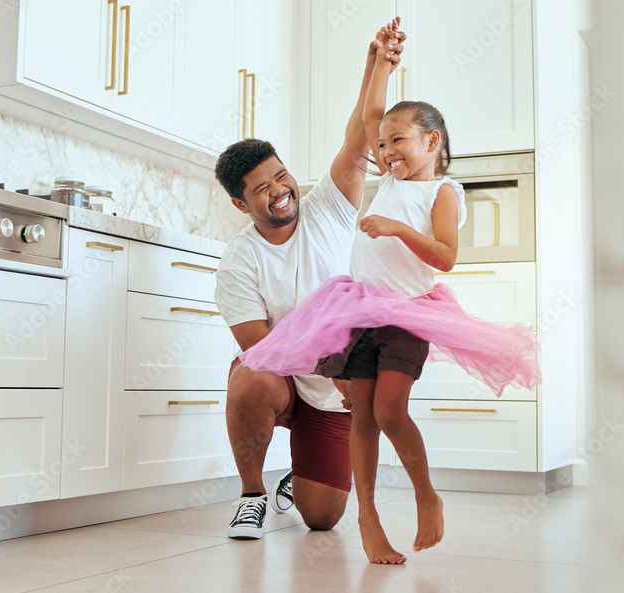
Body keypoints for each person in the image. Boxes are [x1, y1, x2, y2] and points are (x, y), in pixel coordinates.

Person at [238, 18, 541, 564]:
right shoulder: (391, 178)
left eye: (398, 141)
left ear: (432, 140)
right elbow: (370, 118)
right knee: (362, 417)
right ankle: (370, 521)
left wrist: (397, 228)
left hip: (408, 313)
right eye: (383, 145)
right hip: (358, 310)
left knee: (391, 412)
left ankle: (427, 496)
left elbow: (445, 258)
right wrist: (380, 61)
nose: (386, 150)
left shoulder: (442, 191)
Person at [213, 22, 407, 541]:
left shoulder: (330, 208)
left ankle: (294, 481)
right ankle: (253, 495)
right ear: (240, 204)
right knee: (248, 376)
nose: (280, 191)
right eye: (261, 189)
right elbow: (264, 349)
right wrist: (336, 368)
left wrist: (378, 65)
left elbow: (358, 138)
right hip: (283, 377)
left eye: (281, 176)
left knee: (322, 518)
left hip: (331, 393)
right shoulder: (239, 262)